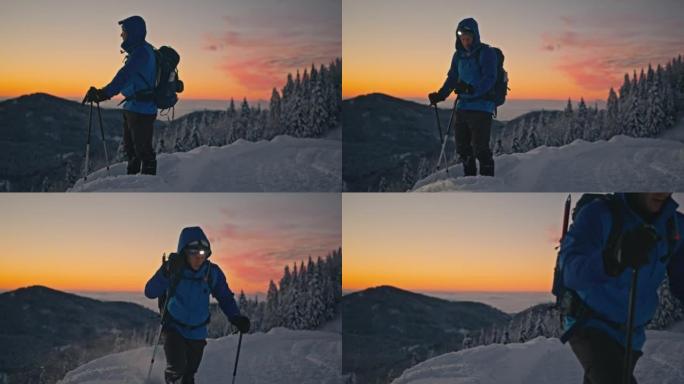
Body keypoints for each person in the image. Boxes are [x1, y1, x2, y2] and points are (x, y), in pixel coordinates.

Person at [558, 193, 684, 384]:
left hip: (631, 335)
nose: (662, 191)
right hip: (590, 323)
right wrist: (612, 259)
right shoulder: (599, 214)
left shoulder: (675, 225)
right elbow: (570, 270)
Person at [145, 226, 251, 384]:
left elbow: (225, 297)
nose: (198, 258)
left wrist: (235, 316)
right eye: (193, 252)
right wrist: (165, 272)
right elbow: (150, 291)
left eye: (203, 253)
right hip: (173, 327)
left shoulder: (211, 273)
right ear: (183, 251)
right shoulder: (173, 268)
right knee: (177, 369)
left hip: (198, 332)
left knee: (189, 374)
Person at [82, 15, 158, 175]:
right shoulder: (141, 50)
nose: (121, 35)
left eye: (124, 31)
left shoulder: (141, 53)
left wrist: (103, 93)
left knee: (143, 153)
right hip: (133, 108)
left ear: (134, 33)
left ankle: (149, 190)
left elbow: (124, 76)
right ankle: (133, 185)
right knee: (132, 152)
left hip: (141, 111)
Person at [428, 17, 497, 177]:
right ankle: (470, 181)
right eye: (462, 38)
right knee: (463, 150)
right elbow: (452, 77)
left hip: (482, 107)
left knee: (480, 149)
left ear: (475, 36)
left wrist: (470, 88)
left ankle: (488, 184)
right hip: (462, 107)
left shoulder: (487, 53)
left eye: (468, 38)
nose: (465, 42)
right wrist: (441, 95)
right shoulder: (458, 56)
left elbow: (490, 78)